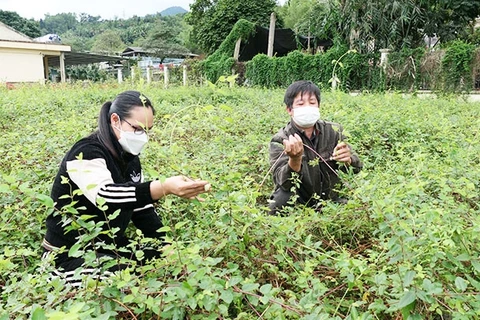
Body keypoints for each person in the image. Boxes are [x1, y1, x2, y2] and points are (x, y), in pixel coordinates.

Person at [42, 90, 210, 276]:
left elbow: (141, 208)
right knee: (126, 278)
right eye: (137, 129)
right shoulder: (86, 152)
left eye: (147, 130)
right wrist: (164, 187)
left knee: (166, 260)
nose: (143, 137)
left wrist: (165, 246)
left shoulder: (130, 157)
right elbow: (106, 196)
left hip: (108, 247)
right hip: (69, 255)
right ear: (115, 120)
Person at [268, 80, 362, 215]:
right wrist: (295, 160)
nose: (307, 107)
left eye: (312, 103)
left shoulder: (334, 131)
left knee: (358, 207)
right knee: (278, 202)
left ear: (318, 106)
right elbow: (282, 183)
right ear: (289, 110)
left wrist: (349, 160)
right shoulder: (280, 140)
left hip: (330, 200)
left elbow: (357, 168)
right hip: (299, 200)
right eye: (301, 104)